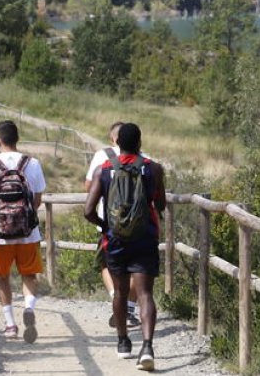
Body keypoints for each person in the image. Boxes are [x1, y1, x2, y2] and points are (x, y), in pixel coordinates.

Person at [85, 123, 165, 371]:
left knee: (119, 293)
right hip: (144, 238)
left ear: (117, 144)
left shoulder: (104, 170)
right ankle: (148, 347)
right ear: (140, 143)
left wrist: (106, 224)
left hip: (115, 240)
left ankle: (122, 342)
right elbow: (160, 204)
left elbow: (87, 211)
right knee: (145, 295)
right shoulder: (153, 169)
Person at [0, 121, 46, 342]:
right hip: (28, 233)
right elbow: (38, 199)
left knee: (2, 277)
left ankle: (11, 325)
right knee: (29, 274)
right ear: (17, 138)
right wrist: (23, 217)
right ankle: (29, 308)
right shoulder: (33, 164)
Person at [85, 122, 140, 328]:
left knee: (105, 264)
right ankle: (129, 309)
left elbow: (89, 186)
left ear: (113, 139)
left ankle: (118, 300)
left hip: (110, 223)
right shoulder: (146, 160)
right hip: (138, 225)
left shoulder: (102, 156)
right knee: (136, 268)